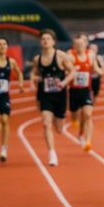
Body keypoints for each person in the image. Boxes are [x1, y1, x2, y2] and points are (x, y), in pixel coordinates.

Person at [31, 29, 76, 166]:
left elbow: (72, 71)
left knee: (59, 129)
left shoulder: (61, 56)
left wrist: (63, 83)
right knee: (46, 123)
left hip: (59, 94)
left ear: (53, 42)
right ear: (40, 42)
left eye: (48, 39)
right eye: (43, 39)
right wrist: (34, 81)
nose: (45, 41)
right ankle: (52, 154)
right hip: (44, 94)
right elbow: (34, 74)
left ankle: (60, 124)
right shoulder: (37, 59)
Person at [67, 33, 104, 151]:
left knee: (88, 115)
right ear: (74, 45)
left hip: (86, 90)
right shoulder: (70, 55)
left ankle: (88, 141)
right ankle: (74, 120)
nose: (79, 46)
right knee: (75, 115)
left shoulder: (91, 55)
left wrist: (100, 72)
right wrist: (72, 70)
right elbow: (65, 70)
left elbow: (94, 68)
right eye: (77, 44)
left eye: (81, 44)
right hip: (73, 91)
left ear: (85, 44)